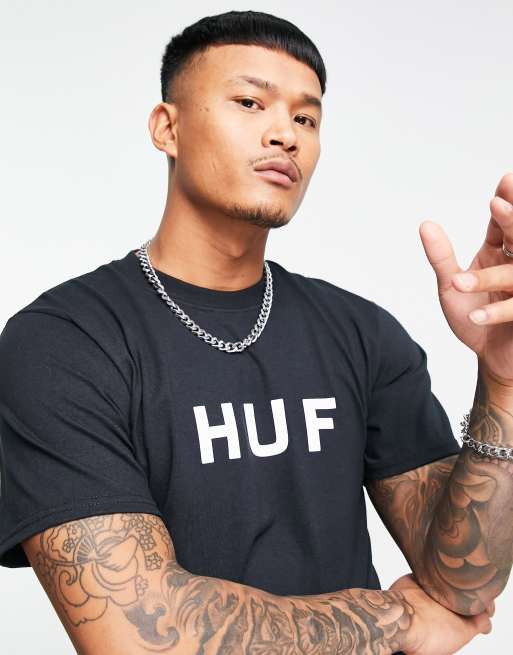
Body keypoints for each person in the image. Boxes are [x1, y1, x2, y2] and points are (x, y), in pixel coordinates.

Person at [2, 9, 509, 655]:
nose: (284, 134)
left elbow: (464, 583)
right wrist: (397, 618)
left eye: (306, 119)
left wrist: (502, 382)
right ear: (167, 128)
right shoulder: (63, 343)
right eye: (249, 102)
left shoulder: (359, 332)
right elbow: (135, 634)